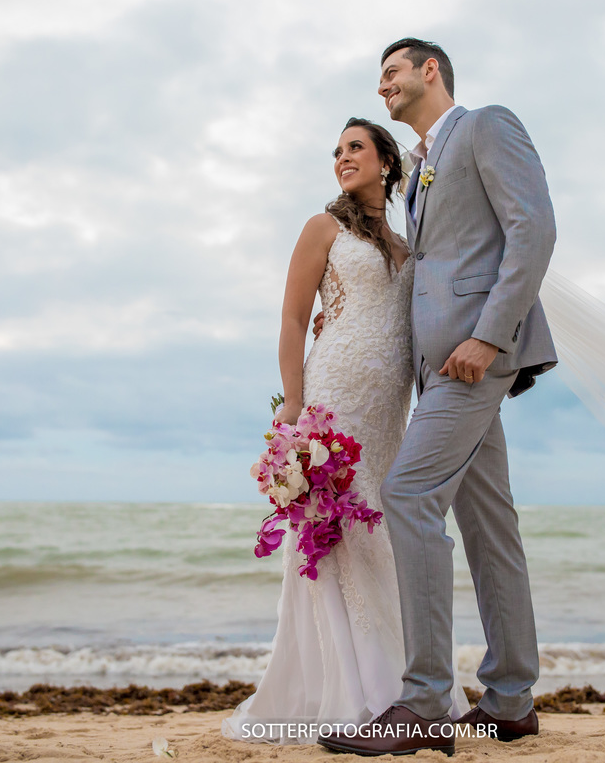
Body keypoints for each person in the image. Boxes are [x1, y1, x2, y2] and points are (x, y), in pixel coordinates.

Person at [319, 38, 559, 757]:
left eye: (392, 72)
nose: (383, 85)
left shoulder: (486, 126)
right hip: (441, 368)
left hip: (475, 358)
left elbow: (533, 230)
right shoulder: (420, 169)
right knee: (489, 526)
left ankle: (423, 701)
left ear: (430, 71)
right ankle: (511, 701)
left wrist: (489, 336)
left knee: (407, 493)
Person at [221, 117, 470, 744]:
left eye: (355, 147)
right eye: (336, 151)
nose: (342, 158)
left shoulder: (408, 243)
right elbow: (292, 318)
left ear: (387, 161)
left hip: (388, 406)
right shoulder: (322, 228)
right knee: (333, 530)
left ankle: (409, 689)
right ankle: (350, 691)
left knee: (382, 526)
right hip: (333, 396)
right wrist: (293, 407)